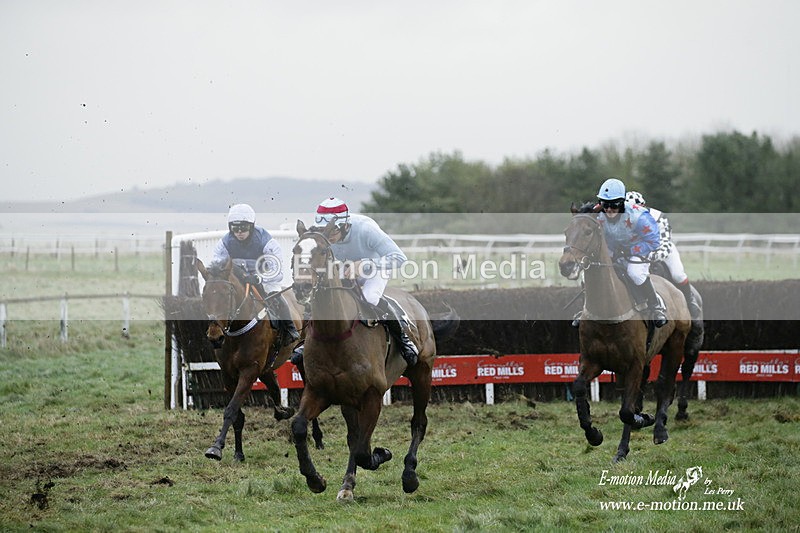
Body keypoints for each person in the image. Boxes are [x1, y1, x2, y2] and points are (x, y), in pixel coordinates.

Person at [294, 197, 418, 366]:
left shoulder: (366, 230)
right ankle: (307, 341)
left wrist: (365, 265)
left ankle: (404, 340)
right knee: (321, 294)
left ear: (345, 226)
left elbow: (399, 258)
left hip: (376, 267)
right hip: (345, 268)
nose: (328, 238)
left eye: (332, 232)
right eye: (324, 231)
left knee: (370, 297)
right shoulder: (322, 236)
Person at [209, 203, 300, 346]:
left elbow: (277, 270)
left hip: (264, 278)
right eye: (235, 228)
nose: (239, 232)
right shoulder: (225, 242)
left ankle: (290, 329)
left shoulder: (266, 241)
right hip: (238, 279)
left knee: (275, 295)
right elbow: (217, 265)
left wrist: (259, 278)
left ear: (251, 226)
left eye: (243, 228)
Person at [595, 178, 667, 327]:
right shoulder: (599, 212)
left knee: (634, 272)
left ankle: (656, 306)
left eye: (613, 205)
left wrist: (630, 250)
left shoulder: (639, 216)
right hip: (615, 248)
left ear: (621, 202)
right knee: (595, 270)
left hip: (639, 248)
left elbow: (654, 242)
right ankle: (587, 309)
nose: (608, 209)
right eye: (605, 204)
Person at [626, 191, 702, 320]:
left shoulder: (658, 216)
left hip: (662, 250)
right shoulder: (623, 219)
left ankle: (690, 300)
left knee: (678, 275)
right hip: (639, 251)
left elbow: (664, 245)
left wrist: (649, 257)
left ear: (644, 206)